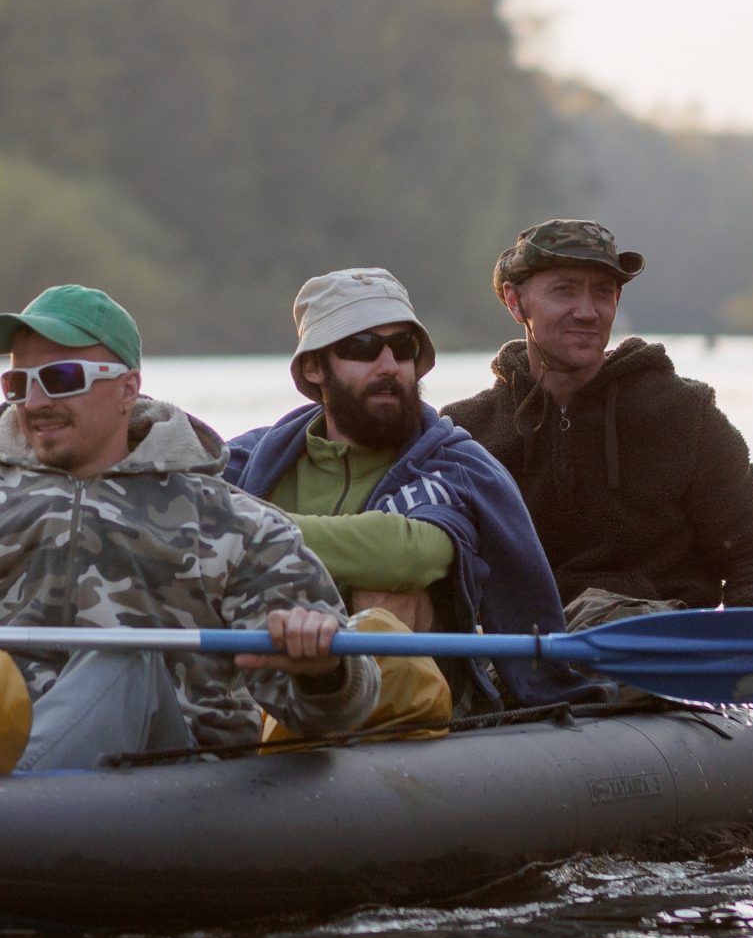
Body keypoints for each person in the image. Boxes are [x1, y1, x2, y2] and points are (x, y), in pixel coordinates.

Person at [0, 283, 379, 769]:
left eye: (59, 378)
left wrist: (325, 667)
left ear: (127, 388)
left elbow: (336, 711)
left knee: (121, 655)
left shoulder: (234, 525)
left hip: (156, 781)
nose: (34, 401)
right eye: (18, 384)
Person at [222, 267, 584, 710]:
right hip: (266, 690)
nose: (390, 366)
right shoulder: (255, 459)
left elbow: (409, 555)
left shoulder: (455, 464)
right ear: (314, 366)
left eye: (403, 347)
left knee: (386, 597)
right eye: (362, 347)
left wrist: (239, 526)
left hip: (415, 716)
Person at [441, 220, 753, 623]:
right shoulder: (463, 433)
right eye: (565, 291)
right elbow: (434, 567)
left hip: (657, 654)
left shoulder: (685, 414)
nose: (588, 312)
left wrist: (742, 653)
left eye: (603, 293)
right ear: (515, 302)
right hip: (520, 661)